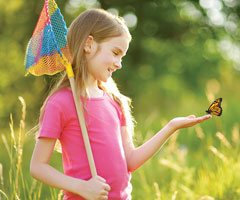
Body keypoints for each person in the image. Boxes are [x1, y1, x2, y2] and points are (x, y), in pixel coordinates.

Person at [30, 8, 211, 200]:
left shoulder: (115, 101)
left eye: (122, 57)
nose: (119, 63)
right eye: (115, 53)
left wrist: (171, 127)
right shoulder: (61, 102)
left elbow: (130, 161)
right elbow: (38, 166)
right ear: (89, 44)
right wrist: (82, 187)